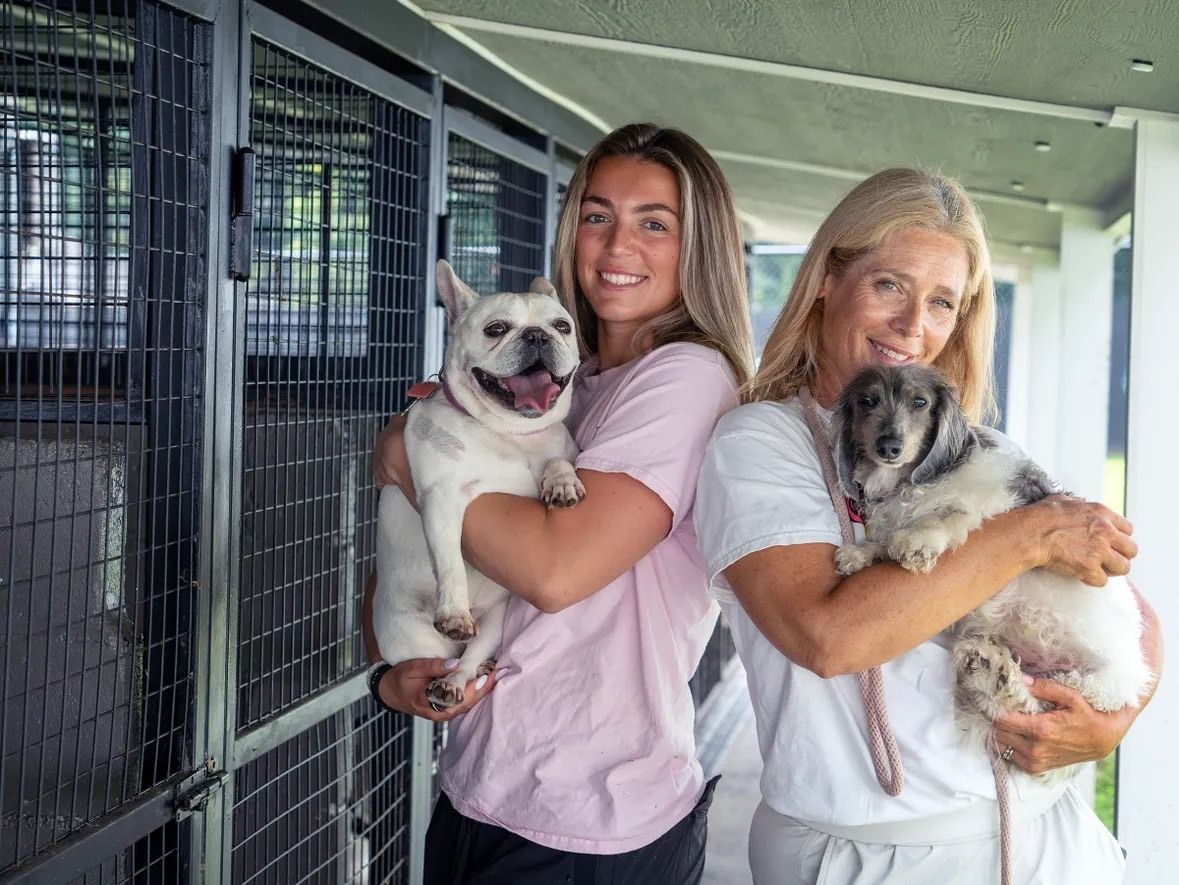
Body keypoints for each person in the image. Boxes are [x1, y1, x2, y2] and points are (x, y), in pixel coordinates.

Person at [694, 167, 1163, 884]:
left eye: (941, 301)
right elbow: (829, 637)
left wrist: (1115, 715)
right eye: (889, 284)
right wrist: (1028, 534)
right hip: (860, 854)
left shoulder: (982, 448)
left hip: (1043, 840)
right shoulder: (761, 442)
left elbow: (1128, 604)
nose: (914, 326)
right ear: (826, 278)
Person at [363, 123, 755, 883]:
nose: (616, 247)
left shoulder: (686, 378)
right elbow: (401, 571)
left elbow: (553, 568)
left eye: (654, 223)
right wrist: (392, 671)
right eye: (596, 215)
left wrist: (411, 458)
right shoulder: (558, 391)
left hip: (590, 819)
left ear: (699, 245)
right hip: (482, 784)